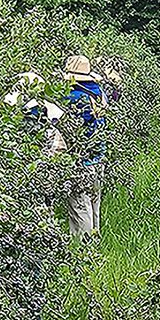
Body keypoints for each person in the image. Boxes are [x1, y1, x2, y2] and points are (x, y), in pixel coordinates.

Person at [63, 55, 108, 242]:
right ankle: (95, 242)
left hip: (82, 160)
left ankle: (83, 251)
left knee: (80, 206)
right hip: (99, 157)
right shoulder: (99, 94)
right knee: (93, 204)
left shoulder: (74, 97)